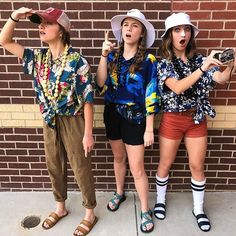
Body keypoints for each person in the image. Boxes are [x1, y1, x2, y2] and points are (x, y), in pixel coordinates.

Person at [0, 7, 98, 236]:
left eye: (47, 23)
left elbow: (87, 99)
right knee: (54, 165)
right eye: (39, 23)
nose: (41, 27)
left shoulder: (77, 61)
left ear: (62, 30)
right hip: (49, 119)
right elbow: (4, 41)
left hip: (73, 120)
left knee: (80, 166)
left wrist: (88, 133)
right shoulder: (37, 57)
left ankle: (89, 213)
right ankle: (60, 207)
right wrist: (15, 15)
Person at [154, 12, 236, 232]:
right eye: (178, 30)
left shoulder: (200, 60)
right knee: (165, 163)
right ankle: (160, 201)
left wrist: (229, 64)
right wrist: (203, 68)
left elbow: (220, 79)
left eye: (187, 29)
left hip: (197, 119)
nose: (184, 34)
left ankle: (198, 209)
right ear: (169, 35)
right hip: (172, 119)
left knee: (197, 166)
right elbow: (178, 87)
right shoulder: (163, 63)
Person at [96, 9, 161, 233]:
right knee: (118, 157)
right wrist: (104, 56)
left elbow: (151, 94)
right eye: (126, 25)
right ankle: (120, 192)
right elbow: (101, 83)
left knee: (137, 167)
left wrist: (149, 129)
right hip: (112, 113)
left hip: (135, 118)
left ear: (141, 33)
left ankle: (144, 209)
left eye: (134, 25)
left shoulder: (148, 60)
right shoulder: (112, 55)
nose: (128, 29)